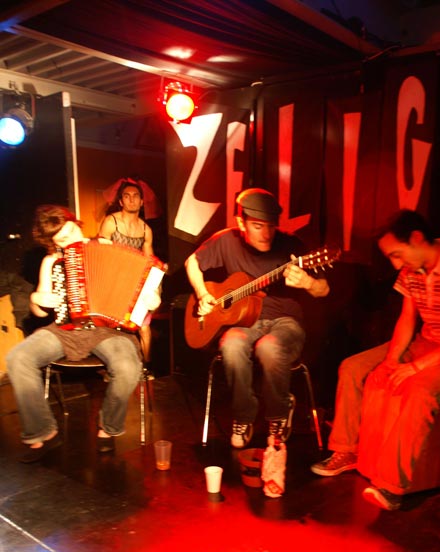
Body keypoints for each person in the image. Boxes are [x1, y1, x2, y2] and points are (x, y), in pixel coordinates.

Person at [311, 209, 440, 510]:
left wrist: (416, 367)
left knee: (419, 388)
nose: (395, 264)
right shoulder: (411, 271)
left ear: (416, 239)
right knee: (352, 368)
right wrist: (392, 359)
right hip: (423, 341)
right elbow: (407, 318)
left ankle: (392, 486)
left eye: (397, 254)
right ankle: (346, 450)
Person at [6, 205, 161, 462]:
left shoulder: (109, 247)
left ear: (77, 224)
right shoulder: (51, 261)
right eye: (62, 240)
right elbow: (40, 312)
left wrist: (152, 299)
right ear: (52, 243)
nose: (70, 241)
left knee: (127, 367)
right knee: (18, 357)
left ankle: (108, 428)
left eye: (71, 232)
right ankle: (42, 431)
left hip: (110, 330)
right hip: (66, 329)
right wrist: (37, 299)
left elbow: (144, 288)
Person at [185, 187, 330, 448]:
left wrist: (308, 282)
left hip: (285, 323)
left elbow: (324, 289)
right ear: (241, 223)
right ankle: (243, 416)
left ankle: (278, 413)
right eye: (257, 226)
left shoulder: (292, 246)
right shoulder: (226, 240)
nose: (266, 234)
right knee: (231, 344)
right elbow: (191, 263)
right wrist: (203, 293)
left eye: (271, 226)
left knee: (268, 347)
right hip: (245, 322)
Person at [98, 179, 155, 365]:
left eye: (136, 196)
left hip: (134, 283)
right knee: (112, 328)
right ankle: (113, 366)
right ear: (121, 201)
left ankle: (146, 366)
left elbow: (149, 260)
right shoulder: (111, 222)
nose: (132, 199)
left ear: (141, 202)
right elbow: (99, 254)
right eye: (127, 196)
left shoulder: (146, 230)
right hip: (113, 283)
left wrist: (156, 278)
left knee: (144, 326)